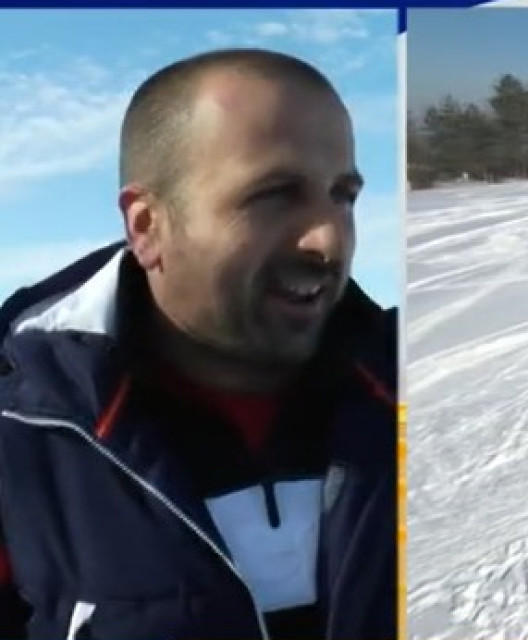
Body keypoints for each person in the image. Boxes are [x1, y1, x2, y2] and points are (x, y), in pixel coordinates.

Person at [0, 48, 397, 639]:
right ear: (147, 226)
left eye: (342, 195)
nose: (327, 239)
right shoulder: (27, 428)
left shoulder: (400, 389)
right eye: (273, 195)